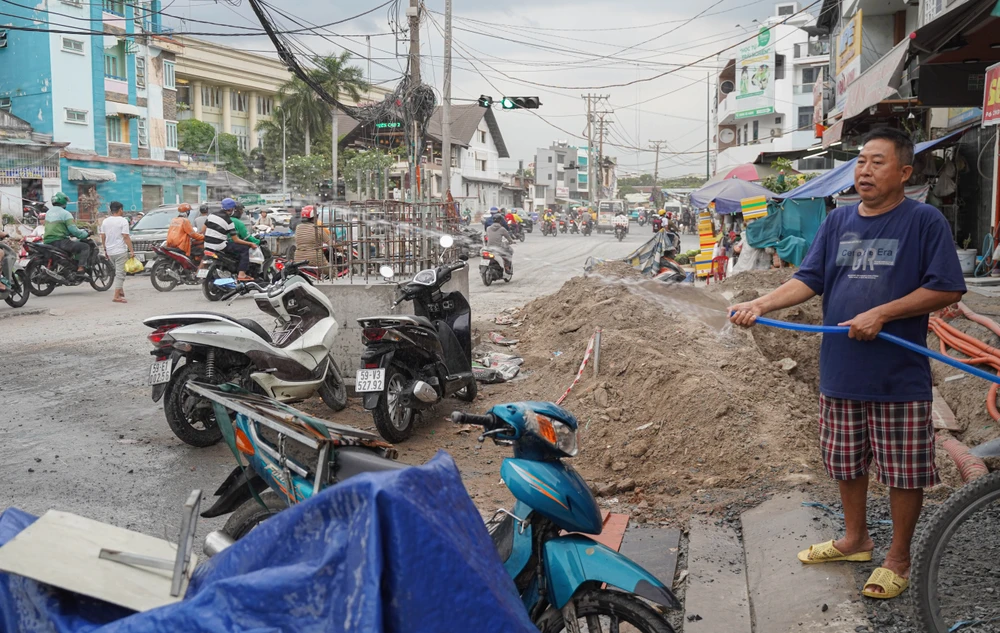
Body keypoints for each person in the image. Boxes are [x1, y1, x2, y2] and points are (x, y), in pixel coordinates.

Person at [729, 127, 967, 600]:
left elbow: (948, 287)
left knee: (903, 470)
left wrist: (883, 311)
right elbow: (810, 278)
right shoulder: (837, 223)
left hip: (897, 374)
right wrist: (762, 303)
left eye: (878, 162)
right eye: (861, 161)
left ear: (904, 172)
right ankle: (855, 540)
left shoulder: (924, 222)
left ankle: (898, 557)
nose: (865, 170)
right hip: (841, 370)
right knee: (846, 462)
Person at [204, 197, 256, 282]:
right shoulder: (229, 221)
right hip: (219, 246)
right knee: (244, 249)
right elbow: (236, 240)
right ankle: (242, 274)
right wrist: (250, 244)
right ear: (232, 209)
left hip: (207, 244)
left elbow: (203, 230)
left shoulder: (211, 215)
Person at [43, 192, 91, 273]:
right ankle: (80, 268)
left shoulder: (48, 213)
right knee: (85, 246)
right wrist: (85, 233)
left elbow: (57, 228)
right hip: (60, 242)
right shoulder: (65, 213)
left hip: (47, 242)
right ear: (63, 201)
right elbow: (74, 230)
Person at [99, 201, 134, 304]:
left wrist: (105, 248)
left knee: (117, 272)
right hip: (120, 251)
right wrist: (131, 250)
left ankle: (120, 291)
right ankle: (116, 296)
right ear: (120, 209)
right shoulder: (123, 221)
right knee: (120, 274)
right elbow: (126, 236)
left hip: (110, 251)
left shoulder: (105, 221)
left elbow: (103, 236)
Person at [294, 205, 326, 270]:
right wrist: (340, 248)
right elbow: (330, 242)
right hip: (315, 259)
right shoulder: (317, 228)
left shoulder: (298, 227)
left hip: (298, 259)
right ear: (314, 217)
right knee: (333, 272)